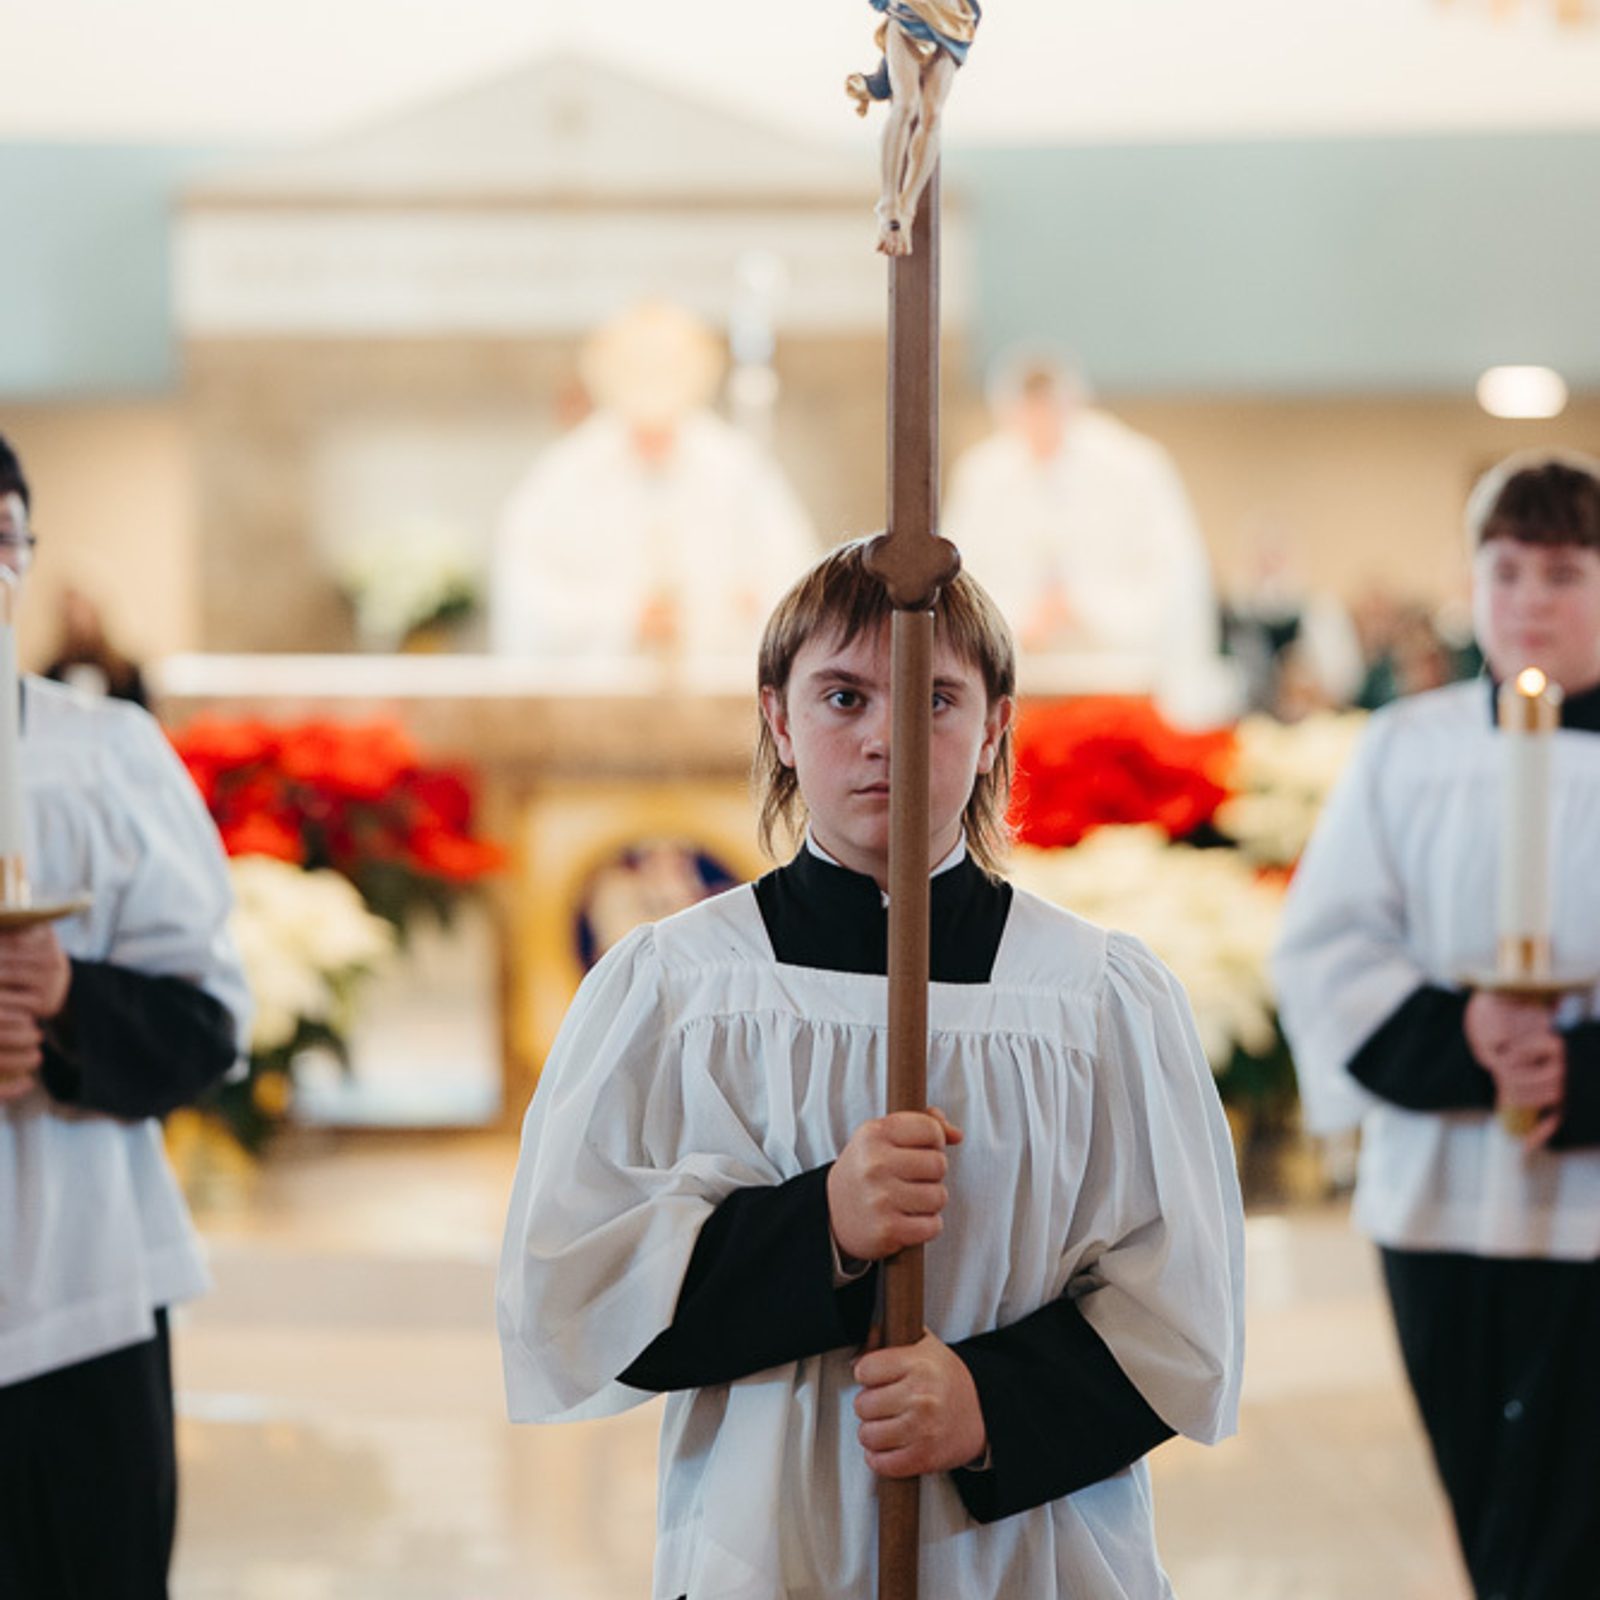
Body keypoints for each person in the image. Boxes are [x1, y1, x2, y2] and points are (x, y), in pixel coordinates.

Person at [498, 539, 1243, 1598]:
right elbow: (573, 1290)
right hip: (767, 1544)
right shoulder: (679, 987)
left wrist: (990, 1402)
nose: (884, 738)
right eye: (842, 697)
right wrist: (825, 1228)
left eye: (933, 698)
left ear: (993, 727)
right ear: (777, 720)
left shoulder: (1093, 998)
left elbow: (1181, 1315)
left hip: (1036, 1553)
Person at [1273, 452, 1600, 1600]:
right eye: (1504, 569)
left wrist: (1576, 1065)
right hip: (1444, 1197)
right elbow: (1328, 947)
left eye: (1563, 571)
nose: (1529, 599)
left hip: (1592, 1207)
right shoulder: (1407, 748)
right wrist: (1467, 1038)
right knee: (1488, 1503)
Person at [0, 433, 250, 1599]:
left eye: (1, 542)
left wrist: (64, 1004)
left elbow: (208, 1020)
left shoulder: (102, 756)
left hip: (76, 1291)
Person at [490, 301, 816, 668]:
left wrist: (722, 614)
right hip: (599, 694)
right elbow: (530, 597)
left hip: (715, 685)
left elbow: (790, 584)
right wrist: (627, 617)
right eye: (640, 366)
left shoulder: (738, 469)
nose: (652, 378)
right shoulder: (565, 476)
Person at [944, 355, 1237, 726]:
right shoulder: (983, 475)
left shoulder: (1133, 467)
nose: (1040, 420)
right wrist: (1019, 620)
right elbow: (961, 576)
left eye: (1048, 406)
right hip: (1023, 675)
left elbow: (1172, 575)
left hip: (1119, 672)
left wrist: (1086, 605)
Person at [846, 1, 982, 256]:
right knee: (906, 104)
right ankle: (889, 202)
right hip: (908, 16)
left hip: (951, 22)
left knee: (932, 115)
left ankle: (907, 206)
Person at [43, 584, 149, 707]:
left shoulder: (126, 674)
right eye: (71, 617)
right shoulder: (54, 674)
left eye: (82, 614)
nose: (79, 624)